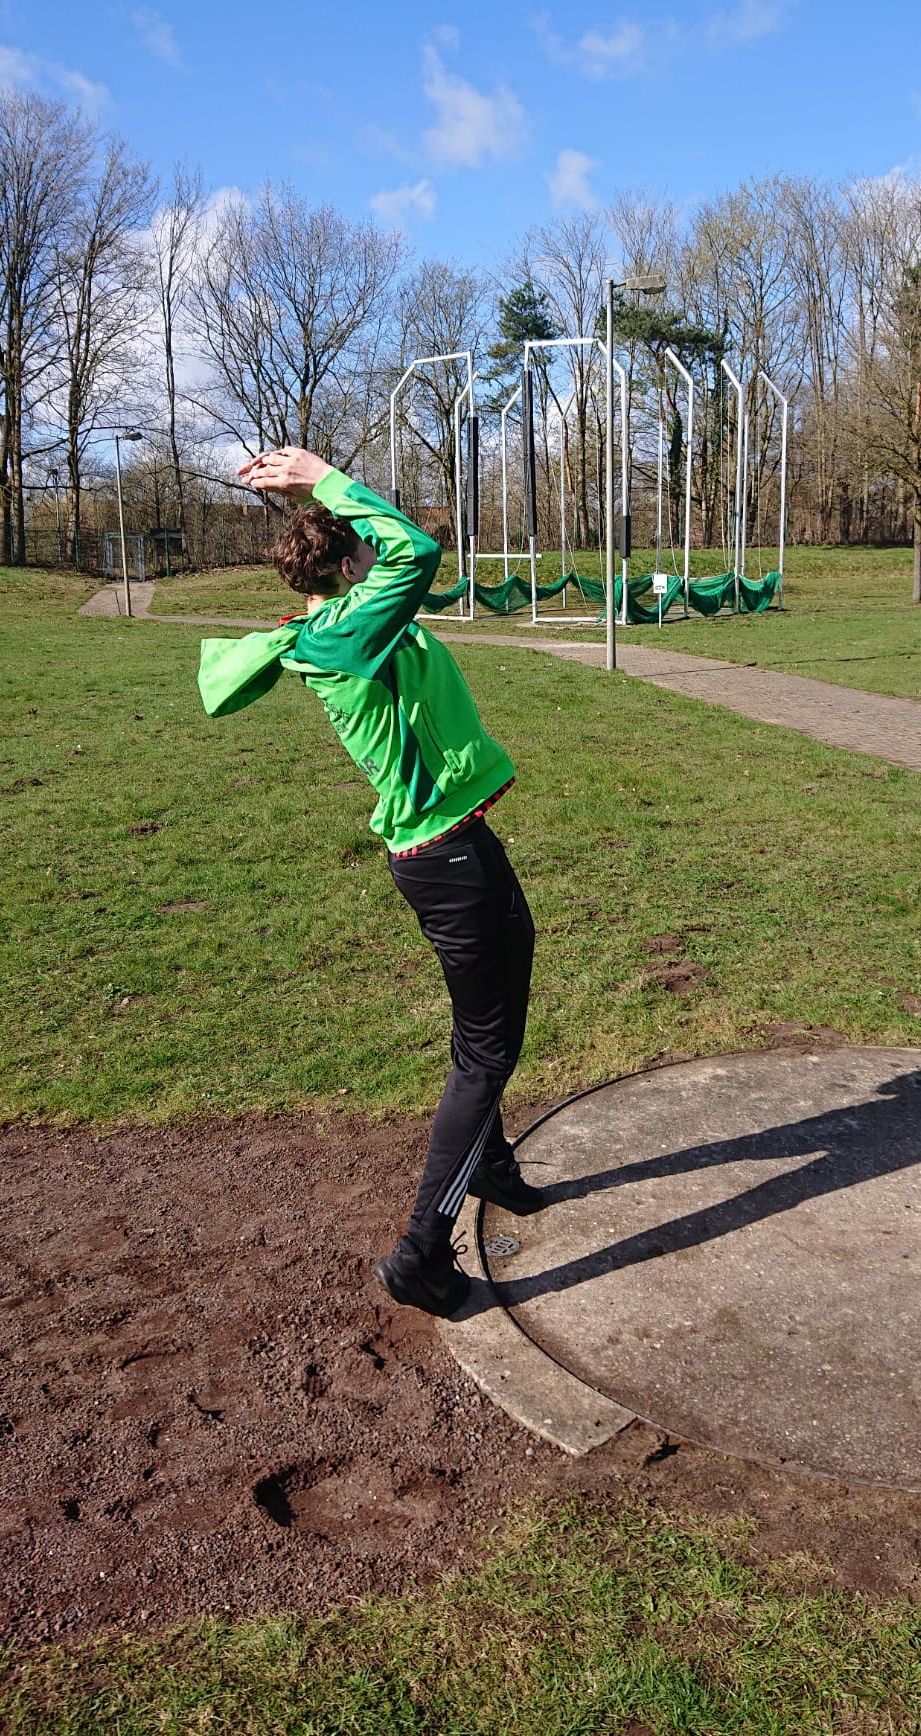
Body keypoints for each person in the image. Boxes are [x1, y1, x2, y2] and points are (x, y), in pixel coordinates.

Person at [196, 445, 541, 1318]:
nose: (378, 554)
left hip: (455, 845)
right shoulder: (348, 630)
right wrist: (323, 479)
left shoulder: (350, 622)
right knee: (487, 1050)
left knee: (499, 996)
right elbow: (417, 551)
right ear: (351, 567)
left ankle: (492, 1162)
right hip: (445, 859)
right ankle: (422, 1254)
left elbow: (405, 565)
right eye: (365, 547)